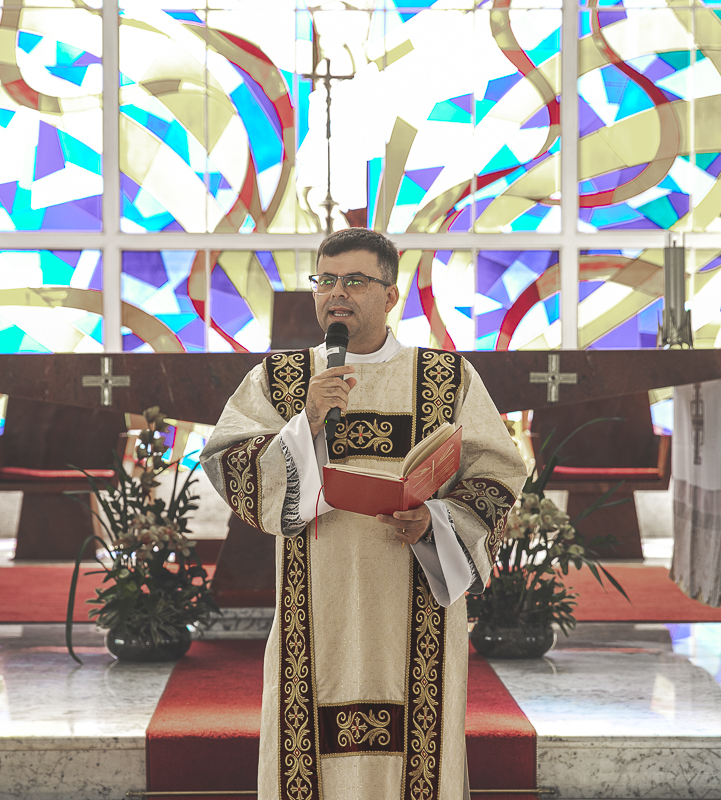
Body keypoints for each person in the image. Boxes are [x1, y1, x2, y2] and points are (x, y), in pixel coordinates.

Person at [199, 227, 527, 800]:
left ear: (390, 295)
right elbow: (228, 462)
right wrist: (306, 422)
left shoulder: (446, 378)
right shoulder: (281, 379)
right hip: (316, 599)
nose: (337, 293)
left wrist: (437, 520)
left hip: (415, 598)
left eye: (354, 280)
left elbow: (498, 472)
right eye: (325, 280)